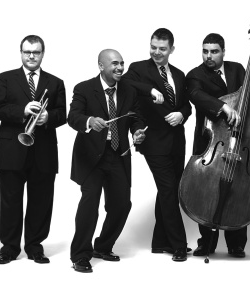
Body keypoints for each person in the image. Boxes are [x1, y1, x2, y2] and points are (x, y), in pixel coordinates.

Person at [185, 33, 250, 258]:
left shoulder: (238, 69)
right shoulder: (195, 75)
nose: (209, 56)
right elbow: (196, 95)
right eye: (205, 51)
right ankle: (207, 242)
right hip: (212, 141)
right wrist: (224, 107)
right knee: (205, 187)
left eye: (214, 51)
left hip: (240, 142)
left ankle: (237, 243)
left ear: (223, 51)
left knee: (240, 185)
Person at [67, 49, 146, 273]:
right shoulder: (84, 88)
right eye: (114, 64)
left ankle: (102, 246)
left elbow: (135, 117)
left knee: (121, 205)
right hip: (91, 157)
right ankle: (80, 255)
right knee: (90, 205)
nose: (120, 68)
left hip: (118, 154)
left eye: (122, 63)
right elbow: (73, 117)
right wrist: (90, 120)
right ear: (101, 66)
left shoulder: (129, 90)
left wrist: (138, 131)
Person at [0, 35, 67, 265]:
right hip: (12, 149)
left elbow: (63, 114)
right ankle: (9, 248)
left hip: (43, 150)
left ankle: (35, 246)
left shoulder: (55, 82)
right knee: (10, 200)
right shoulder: (5, 78)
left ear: (43, 54)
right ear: (21, 53)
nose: (31, 56)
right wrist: (23, 110)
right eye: (27, 52)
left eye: (36, 52)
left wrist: (47, 117)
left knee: (41, 201)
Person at [120, 28, 192, 262]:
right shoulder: (138, 69)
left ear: (172, 49)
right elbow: (127, 82)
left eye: (162, 49)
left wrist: (181, 114)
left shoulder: (179, 75)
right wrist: (150, 89)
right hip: (153, 141)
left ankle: (160, 241)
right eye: (153, 47)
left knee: (171, 190)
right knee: (169, 189)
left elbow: (187, 106)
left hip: (177, 141)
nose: (157, 52)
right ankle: (179, 244)